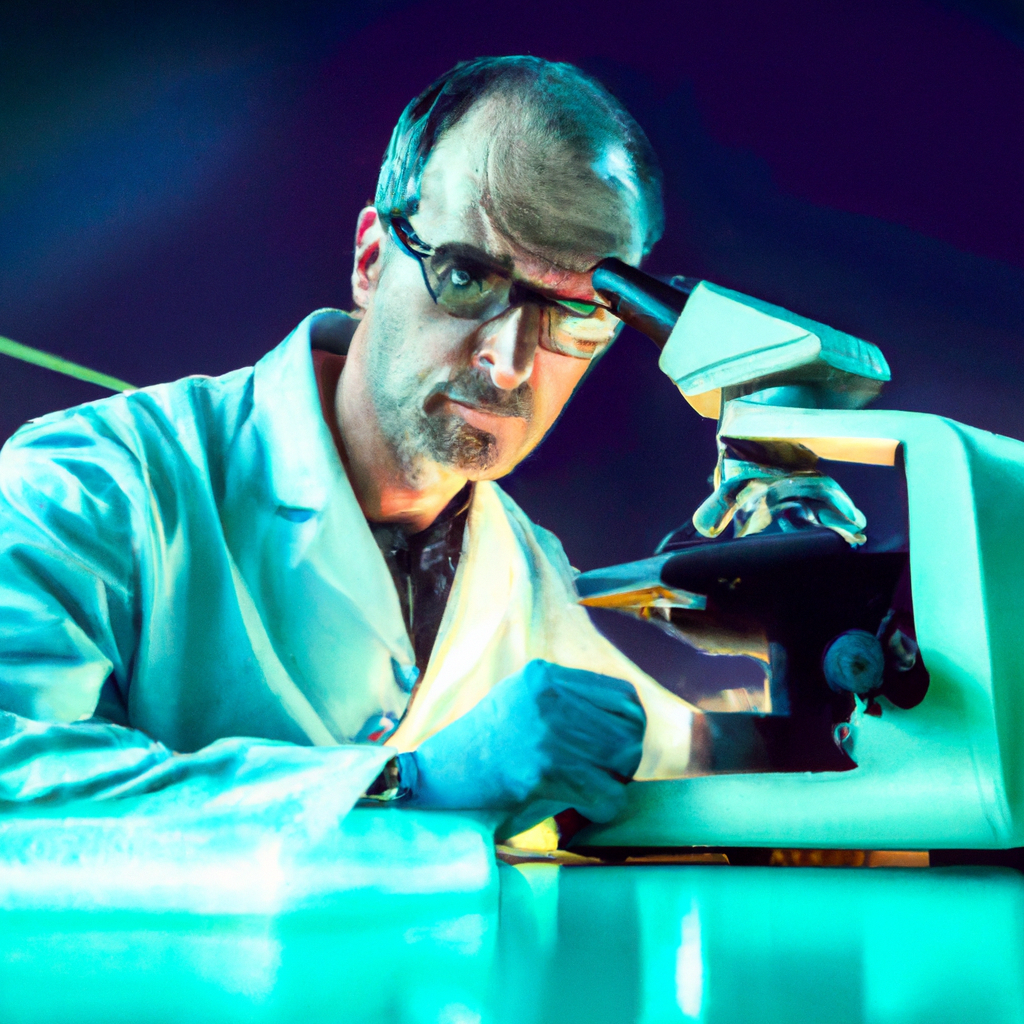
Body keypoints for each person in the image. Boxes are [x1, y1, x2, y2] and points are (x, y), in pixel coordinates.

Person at [0, 56, 698, 841]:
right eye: (467, 276)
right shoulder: (94, 483)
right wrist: (407, 785)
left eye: (575, 314)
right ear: (371, 259)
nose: (509, 363)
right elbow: (15, 779)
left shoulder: (527, 570)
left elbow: (687, 748)